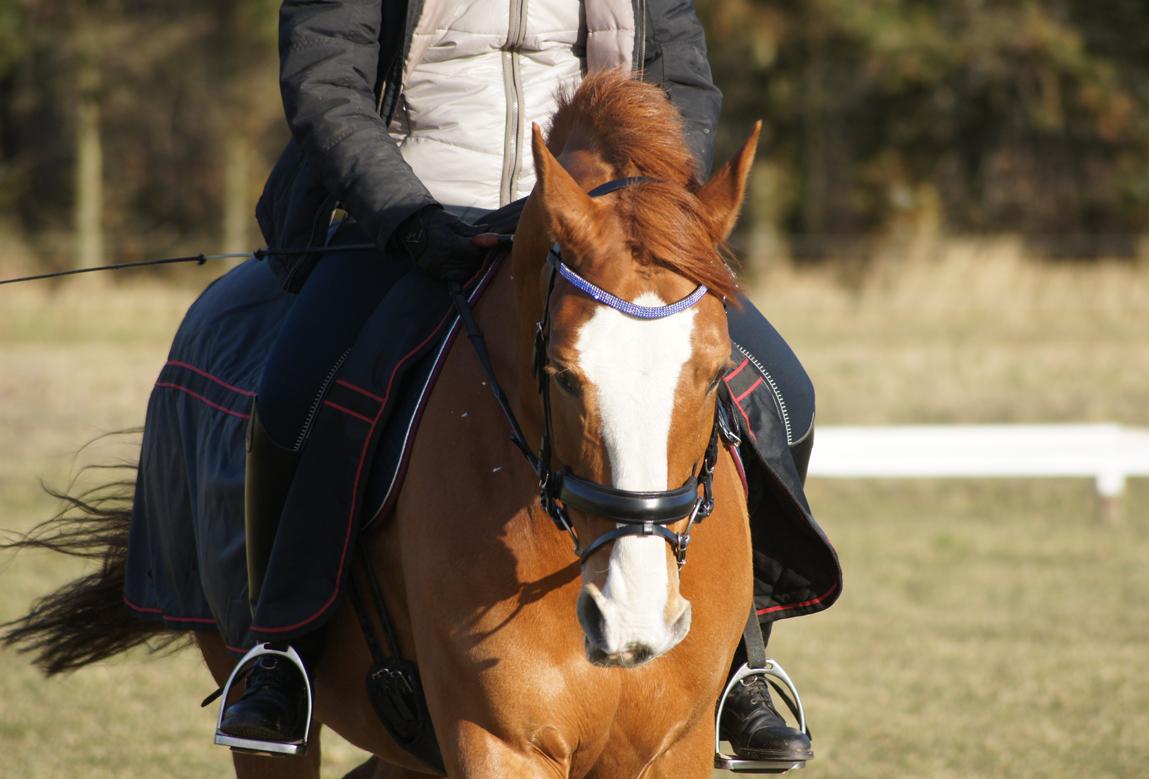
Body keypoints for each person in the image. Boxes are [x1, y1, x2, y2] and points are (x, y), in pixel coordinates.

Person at [218, 0, 822, 767]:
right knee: (295, 397)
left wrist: (654, 208)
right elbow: (324, 78)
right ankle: (282, 652)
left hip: (599, 220)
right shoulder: (407, 209)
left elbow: (682, 81)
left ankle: (740, 657)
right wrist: (406, 216)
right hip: (417, 206)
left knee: (782, 396)